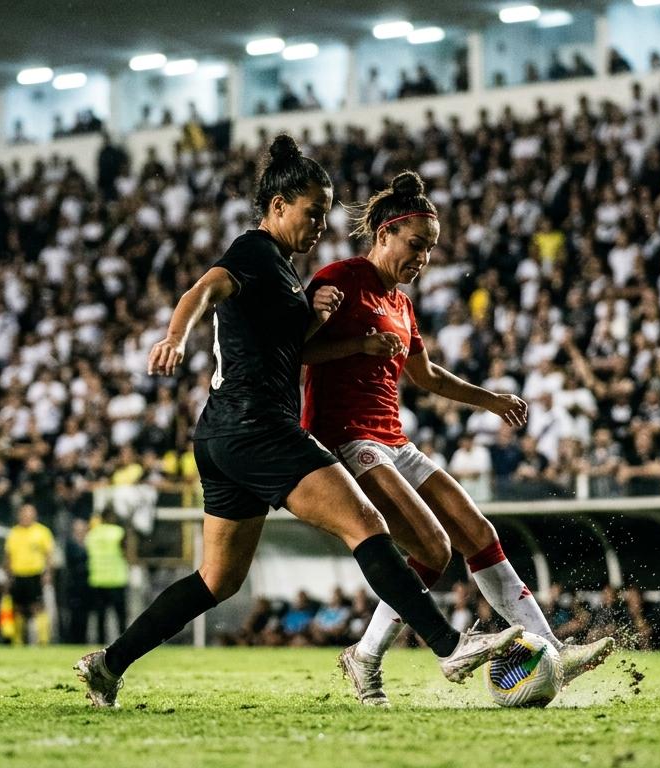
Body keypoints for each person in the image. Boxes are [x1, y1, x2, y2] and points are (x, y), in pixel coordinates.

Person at [74, 135, 522, 709]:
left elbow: (292, 352)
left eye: (325, 215)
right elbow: (203, 288)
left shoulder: (285, 273)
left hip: (223, 434)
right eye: (313, 213)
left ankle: (108, 665)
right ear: (279, 204)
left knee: (218, 579)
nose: (320, 226)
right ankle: (448, 646)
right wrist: (173, 337)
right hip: (259, 426)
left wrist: (327, 325)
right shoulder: (255, 251)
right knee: (364, 521)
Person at [300, 171, 612, 706]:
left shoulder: (400, 303)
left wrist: (491, 400)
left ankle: (550, 648)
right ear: (382, 234)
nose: (423, 258)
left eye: (431, 250)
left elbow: (425, 376)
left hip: (394, 440)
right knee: (431, 549)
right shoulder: (339, 279)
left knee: (476, 529)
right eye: (415, 245)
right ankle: (379, 655)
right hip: (347, 440)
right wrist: (356, 346)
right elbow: (296, 351)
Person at [4, 503, 55, 646]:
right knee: (18, 608)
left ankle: (43, 640)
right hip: (18, 574)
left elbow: (49, 555)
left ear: (34, 515)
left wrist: (48, 573)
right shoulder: (14, 532)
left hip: (35, 574)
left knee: (37, 607)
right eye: (24, 513)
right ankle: (17, 640)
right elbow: (8, 556)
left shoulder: (42, 532)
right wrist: (8, 575)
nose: (26, 516)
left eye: (29, 513)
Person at [85, 508, 129, 644]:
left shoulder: (92, 534)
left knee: (100, 617)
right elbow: (126, 551)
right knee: (120, 617)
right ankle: (124, 644)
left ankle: (100, 643)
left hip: (97, 579)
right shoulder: (118, 532)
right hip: (116, 579)